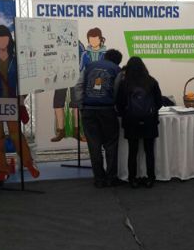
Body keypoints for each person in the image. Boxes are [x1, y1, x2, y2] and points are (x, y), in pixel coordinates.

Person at [0, 25, 39, 183]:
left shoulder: (17, 59)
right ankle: (2, 169)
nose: (1, 40)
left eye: (4, 37)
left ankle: (28, 163)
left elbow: (26, 80)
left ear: (9, 38)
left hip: (12, 102)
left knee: (16, 134)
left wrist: (22, 97)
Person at [50, 28, 107, 142]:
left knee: (76, 103)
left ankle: (77, 130)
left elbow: (81, 63)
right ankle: (61, 131)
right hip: (60, 76)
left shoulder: (79, 45)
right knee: (58, 102)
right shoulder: (55, 43)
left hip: (74, 76)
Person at [74, 47, 121, 188]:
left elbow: (78, 87)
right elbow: (118, 90)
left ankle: (99, 179)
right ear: (117, 61)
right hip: (107, 110)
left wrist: (82, 106)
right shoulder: (116, 70)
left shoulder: (88, 67)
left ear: (105, 56)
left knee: (94, 146)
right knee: (111, 145)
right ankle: (111, 178)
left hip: (89, 110)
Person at [116, 57, 162, 189]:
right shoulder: (152, 81)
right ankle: (150, 179)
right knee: (149, 151)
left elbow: (119, 104)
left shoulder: (125, 83)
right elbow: (159, 103)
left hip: (131, 121)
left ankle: (132, 179)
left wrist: (126, 113)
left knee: (133, 151)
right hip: (149, 121)